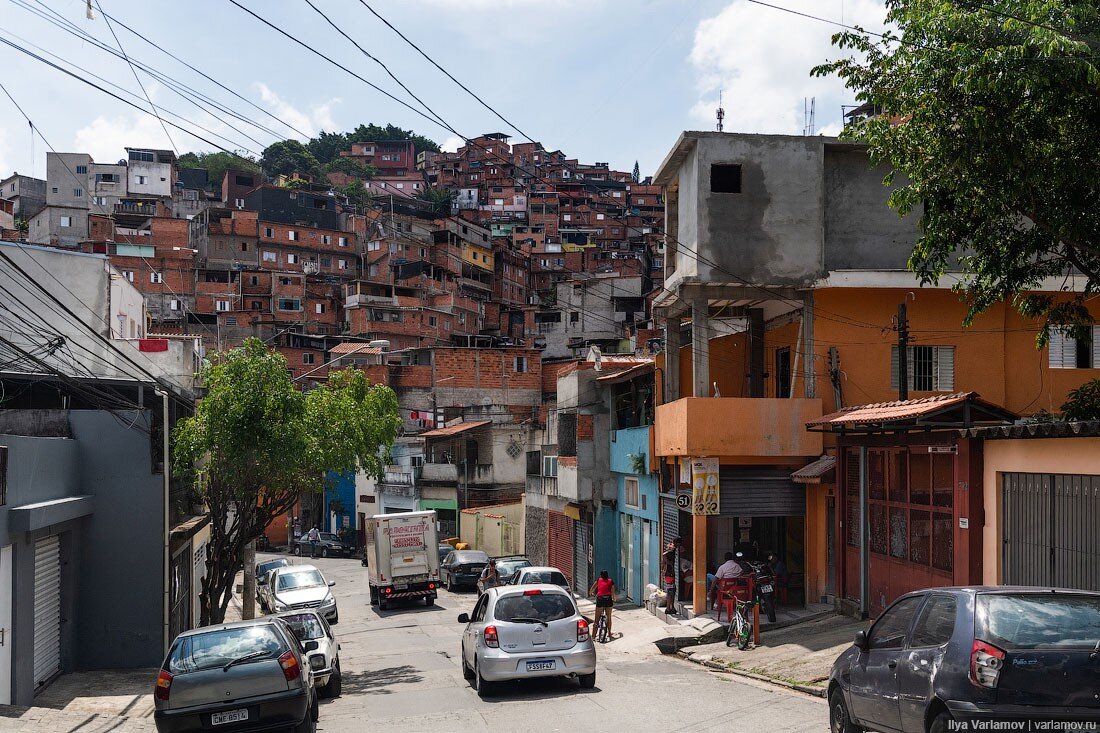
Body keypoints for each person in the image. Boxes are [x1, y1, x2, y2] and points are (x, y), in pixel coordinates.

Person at [589, 570, 617, 639]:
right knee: (609, 617)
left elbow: (592, 589)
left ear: (601, 575)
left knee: (596, 619)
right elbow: (613, 592)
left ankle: (593, 636)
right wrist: (614, 598)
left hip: (600, 599)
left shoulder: (599, 580)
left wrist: (591, 593)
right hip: (608, 600)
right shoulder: (610, 581)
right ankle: (609, 634)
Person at [662, 538, 681, 612]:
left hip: (669, 573)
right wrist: (669, 563)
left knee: (672, 590)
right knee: (670, 591)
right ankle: (668, 608)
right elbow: (664, 555)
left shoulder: (671, 547)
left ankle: (671, 607)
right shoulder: (672, 549)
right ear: (677, 543)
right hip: (669, 573)